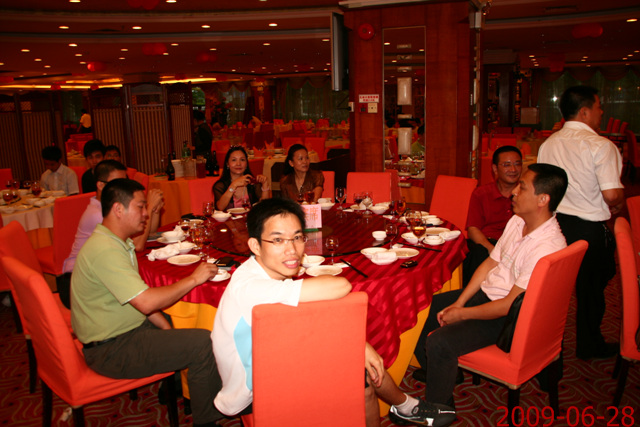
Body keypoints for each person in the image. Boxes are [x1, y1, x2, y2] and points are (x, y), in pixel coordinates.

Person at [212, 198, 455, 427]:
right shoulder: (251, 287)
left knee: (358, 364)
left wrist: (359, 344)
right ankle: (406, 406)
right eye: (278, 240)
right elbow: (341, 286)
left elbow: (303, 313)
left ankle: (405, 406)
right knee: (359, 374)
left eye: (297, 237)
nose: (292, 249)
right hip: (252, 389)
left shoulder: (257, 271)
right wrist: (357, 346)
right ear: (255, 245)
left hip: (272, 355)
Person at [403, 164, 568, 422]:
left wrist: (461, 314)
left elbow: (508, 305)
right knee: (422, 308)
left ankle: (439, 412)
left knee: (440, 341)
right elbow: (491, 262)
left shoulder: (547, 246)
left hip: (509, 318)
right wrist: (460, 302)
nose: (514, 192)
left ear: (543, 199)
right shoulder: (518, 221)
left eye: (522, 187)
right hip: (490, 296)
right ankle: (446, 373)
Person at [70, 178, 222, 427]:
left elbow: (139, 300)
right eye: (141, 207)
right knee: (203, 343)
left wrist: (167, 329)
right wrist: (194, 279)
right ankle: (206, 422)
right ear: (118, 209)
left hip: (125, 331)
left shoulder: (116, 241)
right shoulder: (105, 250)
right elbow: (147, 303)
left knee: (184, 322)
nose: (146, 213)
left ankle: (180, 387)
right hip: (111, 350)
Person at [537, 85, 624, 360]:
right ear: (584, 112)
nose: (602, 112)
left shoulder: (548, 144)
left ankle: (546, 348)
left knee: (553, 291)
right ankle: (589, 344)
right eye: (598, 107)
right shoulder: (600, 145)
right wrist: (619, 200)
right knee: (590, 291)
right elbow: (612, 195)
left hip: (555, 226)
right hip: (588, 229)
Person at [60, 160, 163, 308]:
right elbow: (138, 245)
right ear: (101, 185)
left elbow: (150, 232)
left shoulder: (109, 208)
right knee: (145, 299)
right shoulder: (100, 215)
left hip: (99, 274)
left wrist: (154, 210)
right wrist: (149, 206)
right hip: (77, 284)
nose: (123, 188)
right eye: (117, 183)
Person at [462, 146, 522, 286]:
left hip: (515, 246)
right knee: (476, 253)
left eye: (517, 164)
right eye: (507, 165)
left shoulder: (527, 195)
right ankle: (471, 293)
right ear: (495, 169)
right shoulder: (482, 193)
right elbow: (473, 229)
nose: (513, 169)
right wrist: (492, 249)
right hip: (487, 244)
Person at [212, 146, 270, 211]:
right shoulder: (220, 185)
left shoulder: (252, 183)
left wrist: (265, 184)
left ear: (246, 164)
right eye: (234, 160)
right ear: (227, 164)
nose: (238, 164)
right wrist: (233, 185)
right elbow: (220, 207)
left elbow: (265, 207)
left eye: (242, 160)